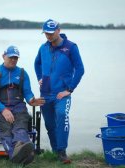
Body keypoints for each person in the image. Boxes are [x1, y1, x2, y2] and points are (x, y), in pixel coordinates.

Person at [34, 19, 85, 164]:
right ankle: (55, 151)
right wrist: (39, 78)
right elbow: (36, 63)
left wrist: (70, 89)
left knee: (62, 115)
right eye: (46, 33)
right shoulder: (43, 48)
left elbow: (80, 69)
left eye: (51, 33)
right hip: (45, 92)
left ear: (58, 30)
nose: (48, 36)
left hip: (62, 93)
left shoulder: (71, 47)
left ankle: (62, 151)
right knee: (50, 124)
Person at [0, 45, 45, 165]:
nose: (13, 60)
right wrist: (3, 110)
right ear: (4, 56)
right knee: (5, 130)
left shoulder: (23, 73)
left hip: (18, 107)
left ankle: (20, 149)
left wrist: (31, 100)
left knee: (20, 127)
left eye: (16, 58)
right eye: (11, 57)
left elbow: (27, 93)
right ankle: (18, 154)